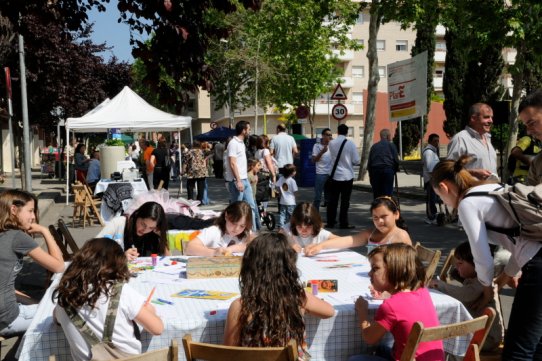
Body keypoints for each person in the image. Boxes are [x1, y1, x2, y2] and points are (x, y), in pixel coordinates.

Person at [430, 155, 542, 360]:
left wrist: (486, 290)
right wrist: (503, 278)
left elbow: (482, 258)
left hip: (538, 265)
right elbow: (523, 244)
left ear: (444, 187)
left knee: (518, 349)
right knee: (536, 342)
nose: (443, 202)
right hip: (536, 256)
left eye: (439, 196)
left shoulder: (467, 204)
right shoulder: (492, 188)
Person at [223, 232, 335, 358]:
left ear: (249, 267)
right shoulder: (298, 297)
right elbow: (329, 311)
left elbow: (229, 353)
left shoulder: (239, 306)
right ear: (289, 267)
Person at [53, 238, 164, 361]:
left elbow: (56, 319)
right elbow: (157, 328)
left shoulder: (65, 299)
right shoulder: (120, 291)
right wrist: (149, 309)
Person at [349, 243, 444, 361]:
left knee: (355, 359)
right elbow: (405, 302)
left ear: (395, 270)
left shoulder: (390, 306)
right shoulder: (422, 290)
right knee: (381, 349)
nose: (369, 273)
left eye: (375, 268)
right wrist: (388, 292)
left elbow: (369, 338)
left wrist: (362, 311)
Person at [0, 190, 64, 337]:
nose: (33, 217)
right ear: (14, 210)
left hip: (7, 312)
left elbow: (6, 286)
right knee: (65, 313)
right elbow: (59, 266)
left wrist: (36, 303)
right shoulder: (17, 237)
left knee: (45, 306)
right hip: (7, 319)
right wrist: (45, 231)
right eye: (30, 211)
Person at [429, 241, 503, 351]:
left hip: (487, 338)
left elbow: (465, 295)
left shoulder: (482, 281)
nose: (457, 266)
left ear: (476, 264)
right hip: (478, 331)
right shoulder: (474, 278)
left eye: (460, 263)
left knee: (444, 337)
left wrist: (440, 285)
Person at [305, 196, 412, 256]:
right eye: (375, 217)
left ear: (396, 214)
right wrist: (320, 246)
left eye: (384, 216)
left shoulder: (401, 236)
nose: (379, 221)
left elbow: (409, 267)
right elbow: (347, 240)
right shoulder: (370, 234)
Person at [96, 201, 170, 261]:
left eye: (150, 228)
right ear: (137, 215)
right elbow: (93, 248)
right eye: (143, 224)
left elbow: (167, 260)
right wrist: (120, 257)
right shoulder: (119, 223)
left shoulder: (153, 234)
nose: (145, 230)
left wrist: (162, 237)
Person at [446, 103, 498, 180]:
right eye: (486, 117)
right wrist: (472, 173)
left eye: (491, 117)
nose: (491, 121)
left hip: (492, 190)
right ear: (473, 118)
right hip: (472, 190)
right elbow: (449, 169)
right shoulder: (460, 139)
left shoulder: (487, 138)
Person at [184, 201, 254, 256]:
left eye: (242, 226)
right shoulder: (214, 231)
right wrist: (214, 252)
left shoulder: (246, 232)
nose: (237, 229)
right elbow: (189, 248)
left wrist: (232, 249)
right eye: (233, 223)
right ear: (226, 216)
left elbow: (255, 246)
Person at [224, 121, 259, 230]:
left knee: (251, 206)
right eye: (248, 129)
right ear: (243, 130)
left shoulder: (241, 143)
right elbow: (233, 163)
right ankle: (233, 230)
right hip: (236, 180)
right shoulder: (233, 143)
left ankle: (251, 231)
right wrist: (238, 181)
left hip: (244, 179)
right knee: (236, 208)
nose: (249, 130)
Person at [326, 124, 360, 229]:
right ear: (347, 132)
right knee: (345, 201)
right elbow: (356, 160)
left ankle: (331, 222)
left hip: (334, 175)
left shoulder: (331, 143)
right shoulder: (350, 144)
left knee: (333, 200)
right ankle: (343, 222)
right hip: (347, 176)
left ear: (337, 131)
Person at [517, 89, 542, 186]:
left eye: (531, 123)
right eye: (526, 126)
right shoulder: (538, 162)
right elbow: (529, 196)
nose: (528, 131)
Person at [367, 129, 399, 199]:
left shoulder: (374, 147)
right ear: (388, 136)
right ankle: (386, 207)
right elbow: (396, 161)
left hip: (375, 171)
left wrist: (370, 176)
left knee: (377, 194)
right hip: (388, 170)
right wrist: (395, 170)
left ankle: (377, 207)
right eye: (390, 135)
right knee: (387, 194)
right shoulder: (392, 145)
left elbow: (369, 163)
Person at [254, 134, 277, 210]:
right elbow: (269, 163)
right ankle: (264, 211)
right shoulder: (266, 151)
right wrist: (273, 174)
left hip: (258, 174)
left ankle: (260, 209)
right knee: (265, 194)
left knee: (259, 192)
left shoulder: (257, 152)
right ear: (265, 143)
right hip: (265, 174)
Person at [422, 134, 440, 224]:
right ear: (430, 141)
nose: (437, 143)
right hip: (431, 180)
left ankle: (433, 216)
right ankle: (431, 217)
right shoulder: (428, 152)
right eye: (435, 141)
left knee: (433, 198)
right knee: (431, 199)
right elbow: (430, 168)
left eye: (438, 141)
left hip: (434, 179)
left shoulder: (433, 151)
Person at [312, 128, 332, 210]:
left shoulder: (333, 145)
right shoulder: (317, 146)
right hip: (321, 173)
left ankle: (331, 218)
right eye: (328, 135)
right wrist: (322, 152)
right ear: (323, 136)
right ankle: (315, 216)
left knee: (330, 198)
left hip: (331, 174)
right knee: (318, 197)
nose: (330, 136)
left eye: (331, 135)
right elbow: (313, 160)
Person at [276, 164, 298, 229]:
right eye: (294, 171)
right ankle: (292, 226)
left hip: (282, 200)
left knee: (282, 214)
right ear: (291, 173)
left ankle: (281, 226)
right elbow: (295, 191)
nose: (295, 172)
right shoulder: (292, 181)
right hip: (291, 201)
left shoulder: (281, 178)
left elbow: (277, 186)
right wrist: (295, 198)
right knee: (291, 214)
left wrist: (280, 192)